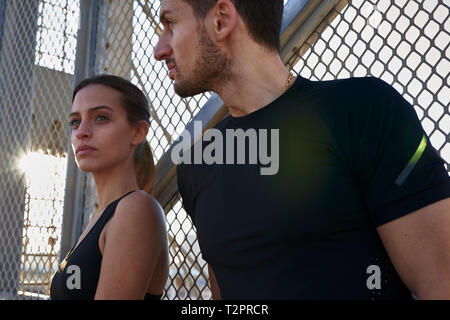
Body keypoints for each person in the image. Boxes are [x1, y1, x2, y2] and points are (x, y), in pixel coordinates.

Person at [154, 0, 450, 299]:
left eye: (170, 25)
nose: (158, 50)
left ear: (221, 20)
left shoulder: (364, 111)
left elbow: (439, 284)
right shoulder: (196, 165)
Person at [50, 75, 169, 300]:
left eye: (101, 117)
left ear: (137, 132)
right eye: (75, 121)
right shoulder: (102, 215)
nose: (81, 132)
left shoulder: (136, 208)